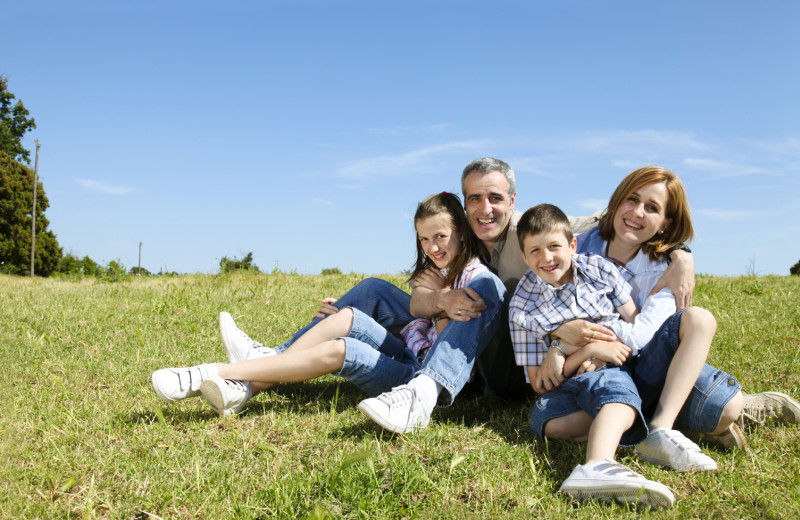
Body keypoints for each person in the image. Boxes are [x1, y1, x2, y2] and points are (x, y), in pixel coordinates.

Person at [356, 158, 696, 432]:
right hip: (473, 353)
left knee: (487, 286)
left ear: (513, 201)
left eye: (495, 198)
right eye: (474, 198)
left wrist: (681, 253)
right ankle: (331, 343)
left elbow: (617, 218)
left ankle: (424, 390)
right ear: (464, 203)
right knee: (373, 289)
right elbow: (417, 301)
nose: (485, 208)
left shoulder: (533, 232)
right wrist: (442, 299)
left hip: (520, 362)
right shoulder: (456, 237)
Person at [526, 166, 800, 505]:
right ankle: (654, 424)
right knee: (557, 426)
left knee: (724, 402)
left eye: (652, 208)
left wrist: (680, 255)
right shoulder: (577, 245)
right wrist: (557, 339)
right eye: (632, 199)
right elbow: (540, 289)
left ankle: (664, 427)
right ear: (618, 200)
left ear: (665, 223)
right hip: (602, 371)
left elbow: (641, 337)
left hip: (649, 364)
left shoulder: (664, 268)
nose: (637, 213)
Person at [150, 192, 503, 418]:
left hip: (417, 375)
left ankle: (213, 373)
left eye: (440, 237)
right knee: (349, 313)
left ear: (460, 231)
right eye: (424, 240)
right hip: (406, 353)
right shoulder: (438, 271)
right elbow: (416, 317)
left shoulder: (474, 281)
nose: (432, 247)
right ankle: (254, 374)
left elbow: (446, 347)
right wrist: (428, 299)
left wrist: (439, 300)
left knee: (342, 348)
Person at [510, 201, 718, 508]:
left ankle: (657, 430)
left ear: (572, 244)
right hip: (580, 382)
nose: (547, 257)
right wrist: (588, 351)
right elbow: (540, 382)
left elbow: (635, 327)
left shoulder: (599, 269)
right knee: (611, 390)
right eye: (535, 251)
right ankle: (597, 464)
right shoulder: (522, 306)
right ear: (524, 256)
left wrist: (609, 350)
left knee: (699, 322)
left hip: (628, 360)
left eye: (554, 246)